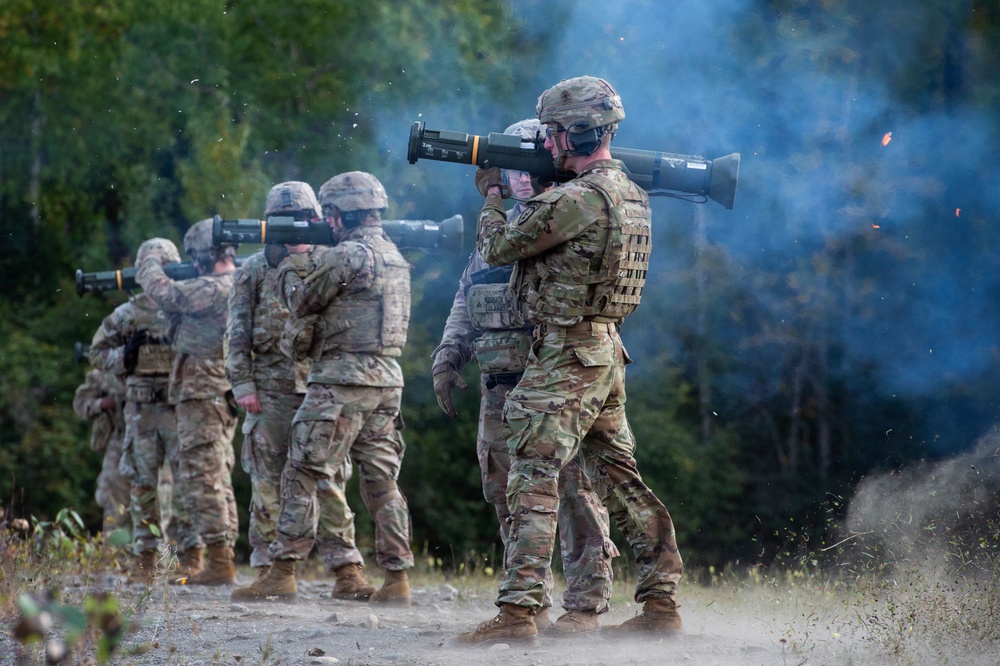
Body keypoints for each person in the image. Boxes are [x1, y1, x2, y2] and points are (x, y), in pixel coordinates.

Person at [455, 76, 684, 646]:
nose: (548, 143)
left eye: (554, 133)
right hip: (603, 347)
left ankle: (517, 614)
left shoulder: (576, 199)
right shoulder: (629, 191)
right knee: (620, 477)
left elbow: (498, 248)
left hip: (565, 351)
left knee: (532, 471)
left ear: (575, 133)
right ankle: (660, 603)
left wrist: (490, 194)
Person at [433, 118, 616, 635]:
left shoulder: (566, 218)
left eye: (520, 164)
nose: (512, 177)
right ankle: (528, 603)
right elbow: (467, 294)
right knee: (506, 494)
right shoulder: (504, 229)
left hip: (555, 383)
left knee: (576, 492)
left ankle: (584, 605)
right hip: (499, 388)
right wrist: (450, 352)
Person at [231, 171, 414, 604]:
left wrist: (293, 259)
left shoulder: (345, 256)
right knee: (382, 480)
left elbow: (300, 300)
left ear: (336, 215)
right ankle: (397, 578)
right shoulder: (393, 254)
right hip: (386, 380)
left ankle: (282, 571)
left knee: (302, 472)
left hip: (339, 380)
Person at [136, 220, 240, 586]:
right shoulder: (224, 285)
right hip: (210, 393)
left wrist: (148, 261)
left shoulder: (217, 286)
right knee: (214, 476)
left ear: (205, 257)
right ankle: (220, 556)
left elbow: (167, 294)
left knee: (202, 478)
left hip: (203, 394)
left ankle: (219, 561)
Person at [89, 239, 187, 584]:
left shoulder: (185, 305)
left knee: (184, 485)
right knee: (142, 485)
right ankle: (145, 560)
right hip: (141, 410)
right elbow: (97, 352)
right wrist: (125, 358)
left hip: (177, 407)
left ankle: (182, 560)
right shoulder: (127, 313)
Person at [72, 367, 130, 533]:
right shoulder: (106, 373)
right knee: (114, 505)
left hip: (156, 444)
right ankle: (114, 555)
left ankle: (162, 557)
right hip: (120, 442)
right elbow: (80, 403)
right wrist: (104, 404)